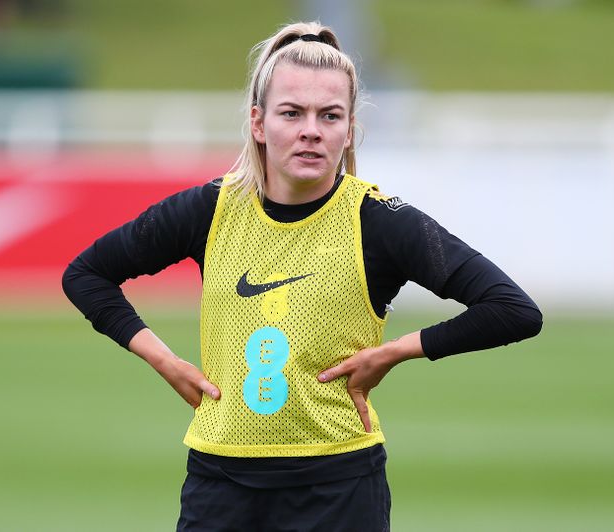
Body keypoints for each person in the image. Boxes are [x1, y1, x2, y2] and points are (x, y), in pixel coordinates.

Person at [62, 20, 542, 531]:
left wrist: (396, 351)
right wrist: (166, 361)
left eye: (329, 115)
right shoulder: (211, 209)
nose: (311, 129)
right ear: (258, 122)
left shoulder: (381, 221)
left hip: (339, 489)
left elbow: (512, 311)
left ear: (349, 129)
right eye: (292, 113)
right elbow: (87, 274)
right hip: (219, 485)